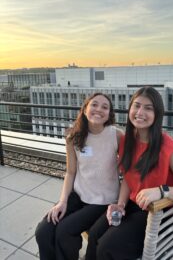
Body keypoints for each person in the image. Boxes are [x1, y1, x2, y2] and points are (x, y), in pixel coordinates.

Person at [86, 86, 173, 260]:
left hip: (158, 214)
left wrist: (162, 190)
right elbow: (128, 178)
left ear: (157, 114)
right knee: (95, 234)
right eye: (136, 106)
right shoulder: (128, 140)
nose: (140, 112)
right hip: (134, 205)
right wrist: (120, 204)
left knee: (107, 248)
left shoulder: (168, 148)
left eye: (148, 108)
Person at [35, 92, 123, 260]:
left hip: (103, 200)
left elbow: (129, 166)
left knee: (64, 231)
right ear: (84, 109)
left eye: (105, 107)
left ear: (109, 115)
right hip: (79, 195)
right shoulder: (73, 137)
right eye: (94, 105)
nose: (99, 109)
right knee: (43, 231)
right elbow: (71, 172)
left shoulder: (116, 135)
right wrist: (63, 201)